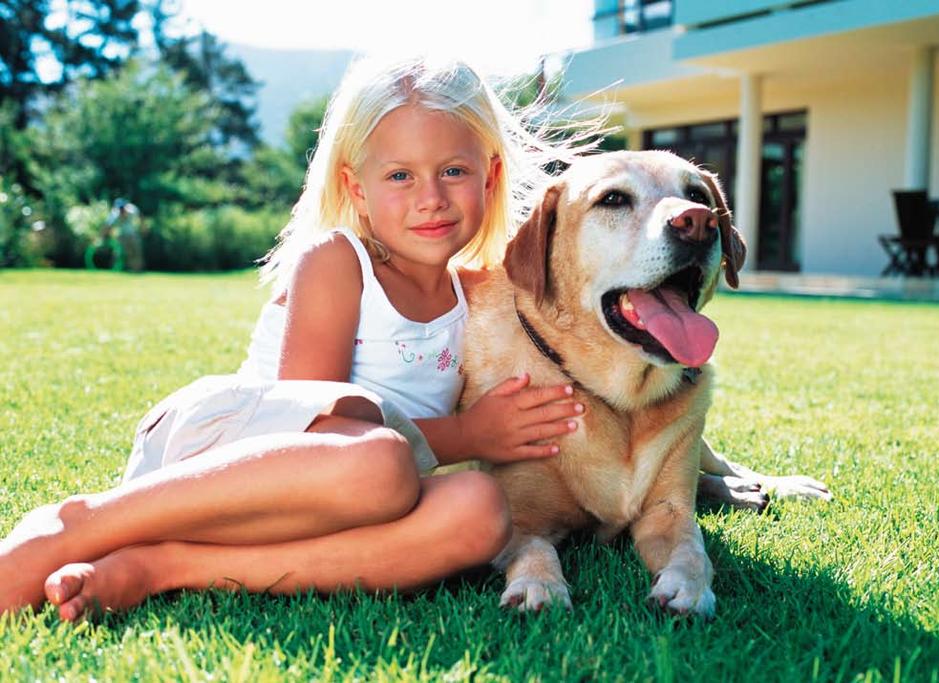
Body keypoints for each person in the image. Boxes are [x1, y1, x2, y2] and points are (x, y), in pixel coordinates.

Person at [0, 56, 596, 621]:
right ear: (355, 187)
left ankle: (165, 567)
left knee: (479, 511)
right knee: (381, 462)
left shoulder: (477, 296)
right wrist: (469, 433)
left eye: (453, 171)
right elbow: (306, 423)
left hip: (338, 510)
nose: (431, 198)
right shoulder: (338, 262)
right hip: (232, 467)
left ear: (490, 176)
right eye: (399, 175)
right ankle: (83, 523)